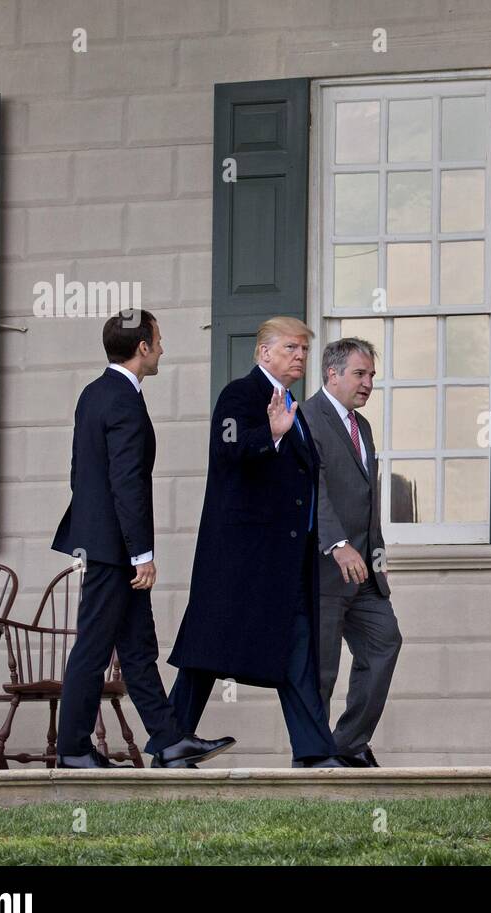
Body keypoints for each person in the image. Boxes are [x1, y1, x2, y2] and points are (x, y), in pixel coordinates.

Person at [52, 309, 235, 769]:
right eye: (159, 340)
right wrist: (142, 555)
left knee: (137, 647)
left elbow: (80, 474)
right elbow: (127, 482)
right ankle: (73, 749)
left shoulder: (94, 393)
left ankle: (170, 740)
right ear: (143, 348)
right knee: (93, 648)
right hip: (116, 551)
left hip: (101, 542)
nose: (163, 349)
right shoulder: (124, 401)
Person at [167, 316, 350, 768]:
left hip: (286, 557)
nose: (300, 357)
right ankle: (170, 742)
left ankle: (313, 751)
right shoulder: (241, 394)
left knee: (296, 645)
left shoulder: (292, 406)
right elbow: (229, 448)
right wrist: (270, 433)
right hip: (241, 556)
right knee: (206, 650)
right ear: (264, 352)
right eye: (291, 348)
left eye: (304, 350)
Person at [301, 338, 402, 768]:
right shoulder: (306, 418)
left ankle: (348, 743)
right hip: (325, 567)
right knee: (321, 671)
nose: (368, 383)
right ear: (332, 373)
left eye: (372, 376)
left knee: (384, 644)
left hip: (365, 572)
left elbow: (364, 496)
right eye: (360, 374)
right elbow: (312, 490)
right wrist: (338, 545)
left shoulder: (363, 427)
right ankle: (311, 757)